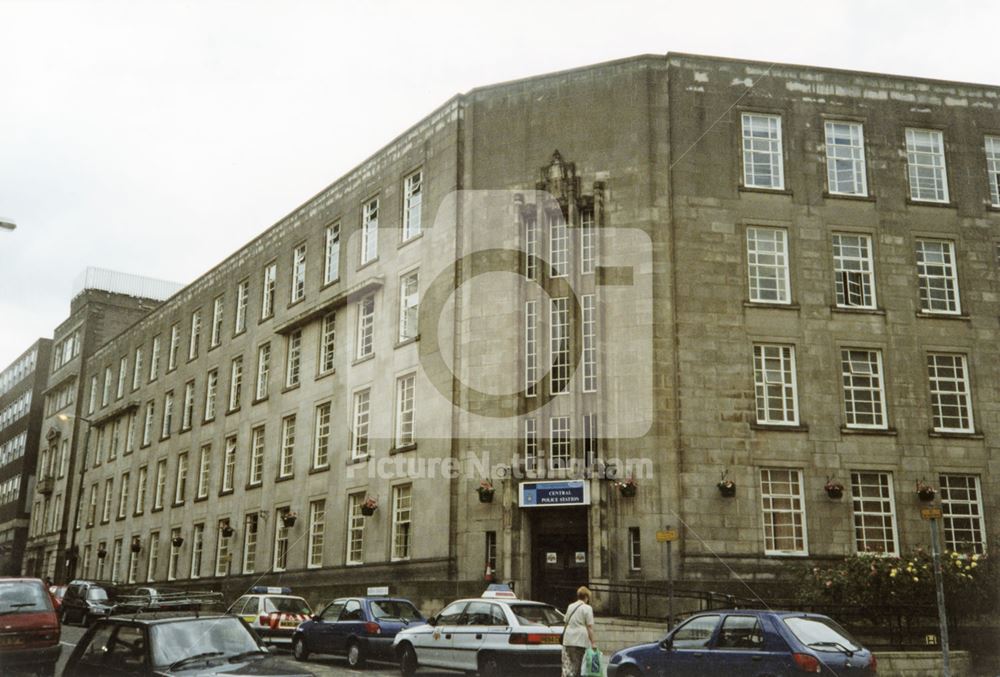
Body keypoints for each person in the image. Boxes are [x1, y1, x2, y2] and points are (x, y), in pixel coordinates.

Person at [561, 586, 596, 677]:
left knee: (568, 666)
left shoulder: (570, 606)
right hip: (579, 641)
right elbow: (589, 627)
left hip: (568, 640)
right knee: (577, 667)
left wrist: (563, 636)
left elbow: (566, 623)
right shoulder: (587, 608)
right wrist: (593, 643)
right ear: (586, 597)